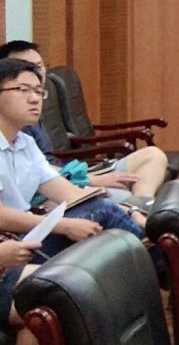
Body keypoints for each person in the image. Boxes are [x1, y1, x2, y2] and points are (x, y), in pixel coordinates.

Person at [0, 57, 148, 262]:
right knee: (100, 214)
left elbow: (72, 194)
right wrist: (64, 226)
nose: (34, 99)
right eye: (22, 90)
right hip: (8, 248)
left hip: (29, 233)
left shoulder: (26, 143)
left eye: (38, 91)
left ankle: (156, 261)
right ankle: (160, 264)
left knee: (100, 212)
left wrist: (130, 211)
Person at [0, 39, 172, 200]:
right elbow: (34, 175)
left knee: (153, 156)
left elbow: (40, 168)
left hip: (70, 173)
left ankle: (141, 203)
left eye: (38, 66)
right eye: (23, 88)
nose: (34, 73)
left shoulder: (27, 133)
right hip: (57, 185)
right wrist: (90, 181)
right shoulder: (13, 121)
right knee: (119, 199)